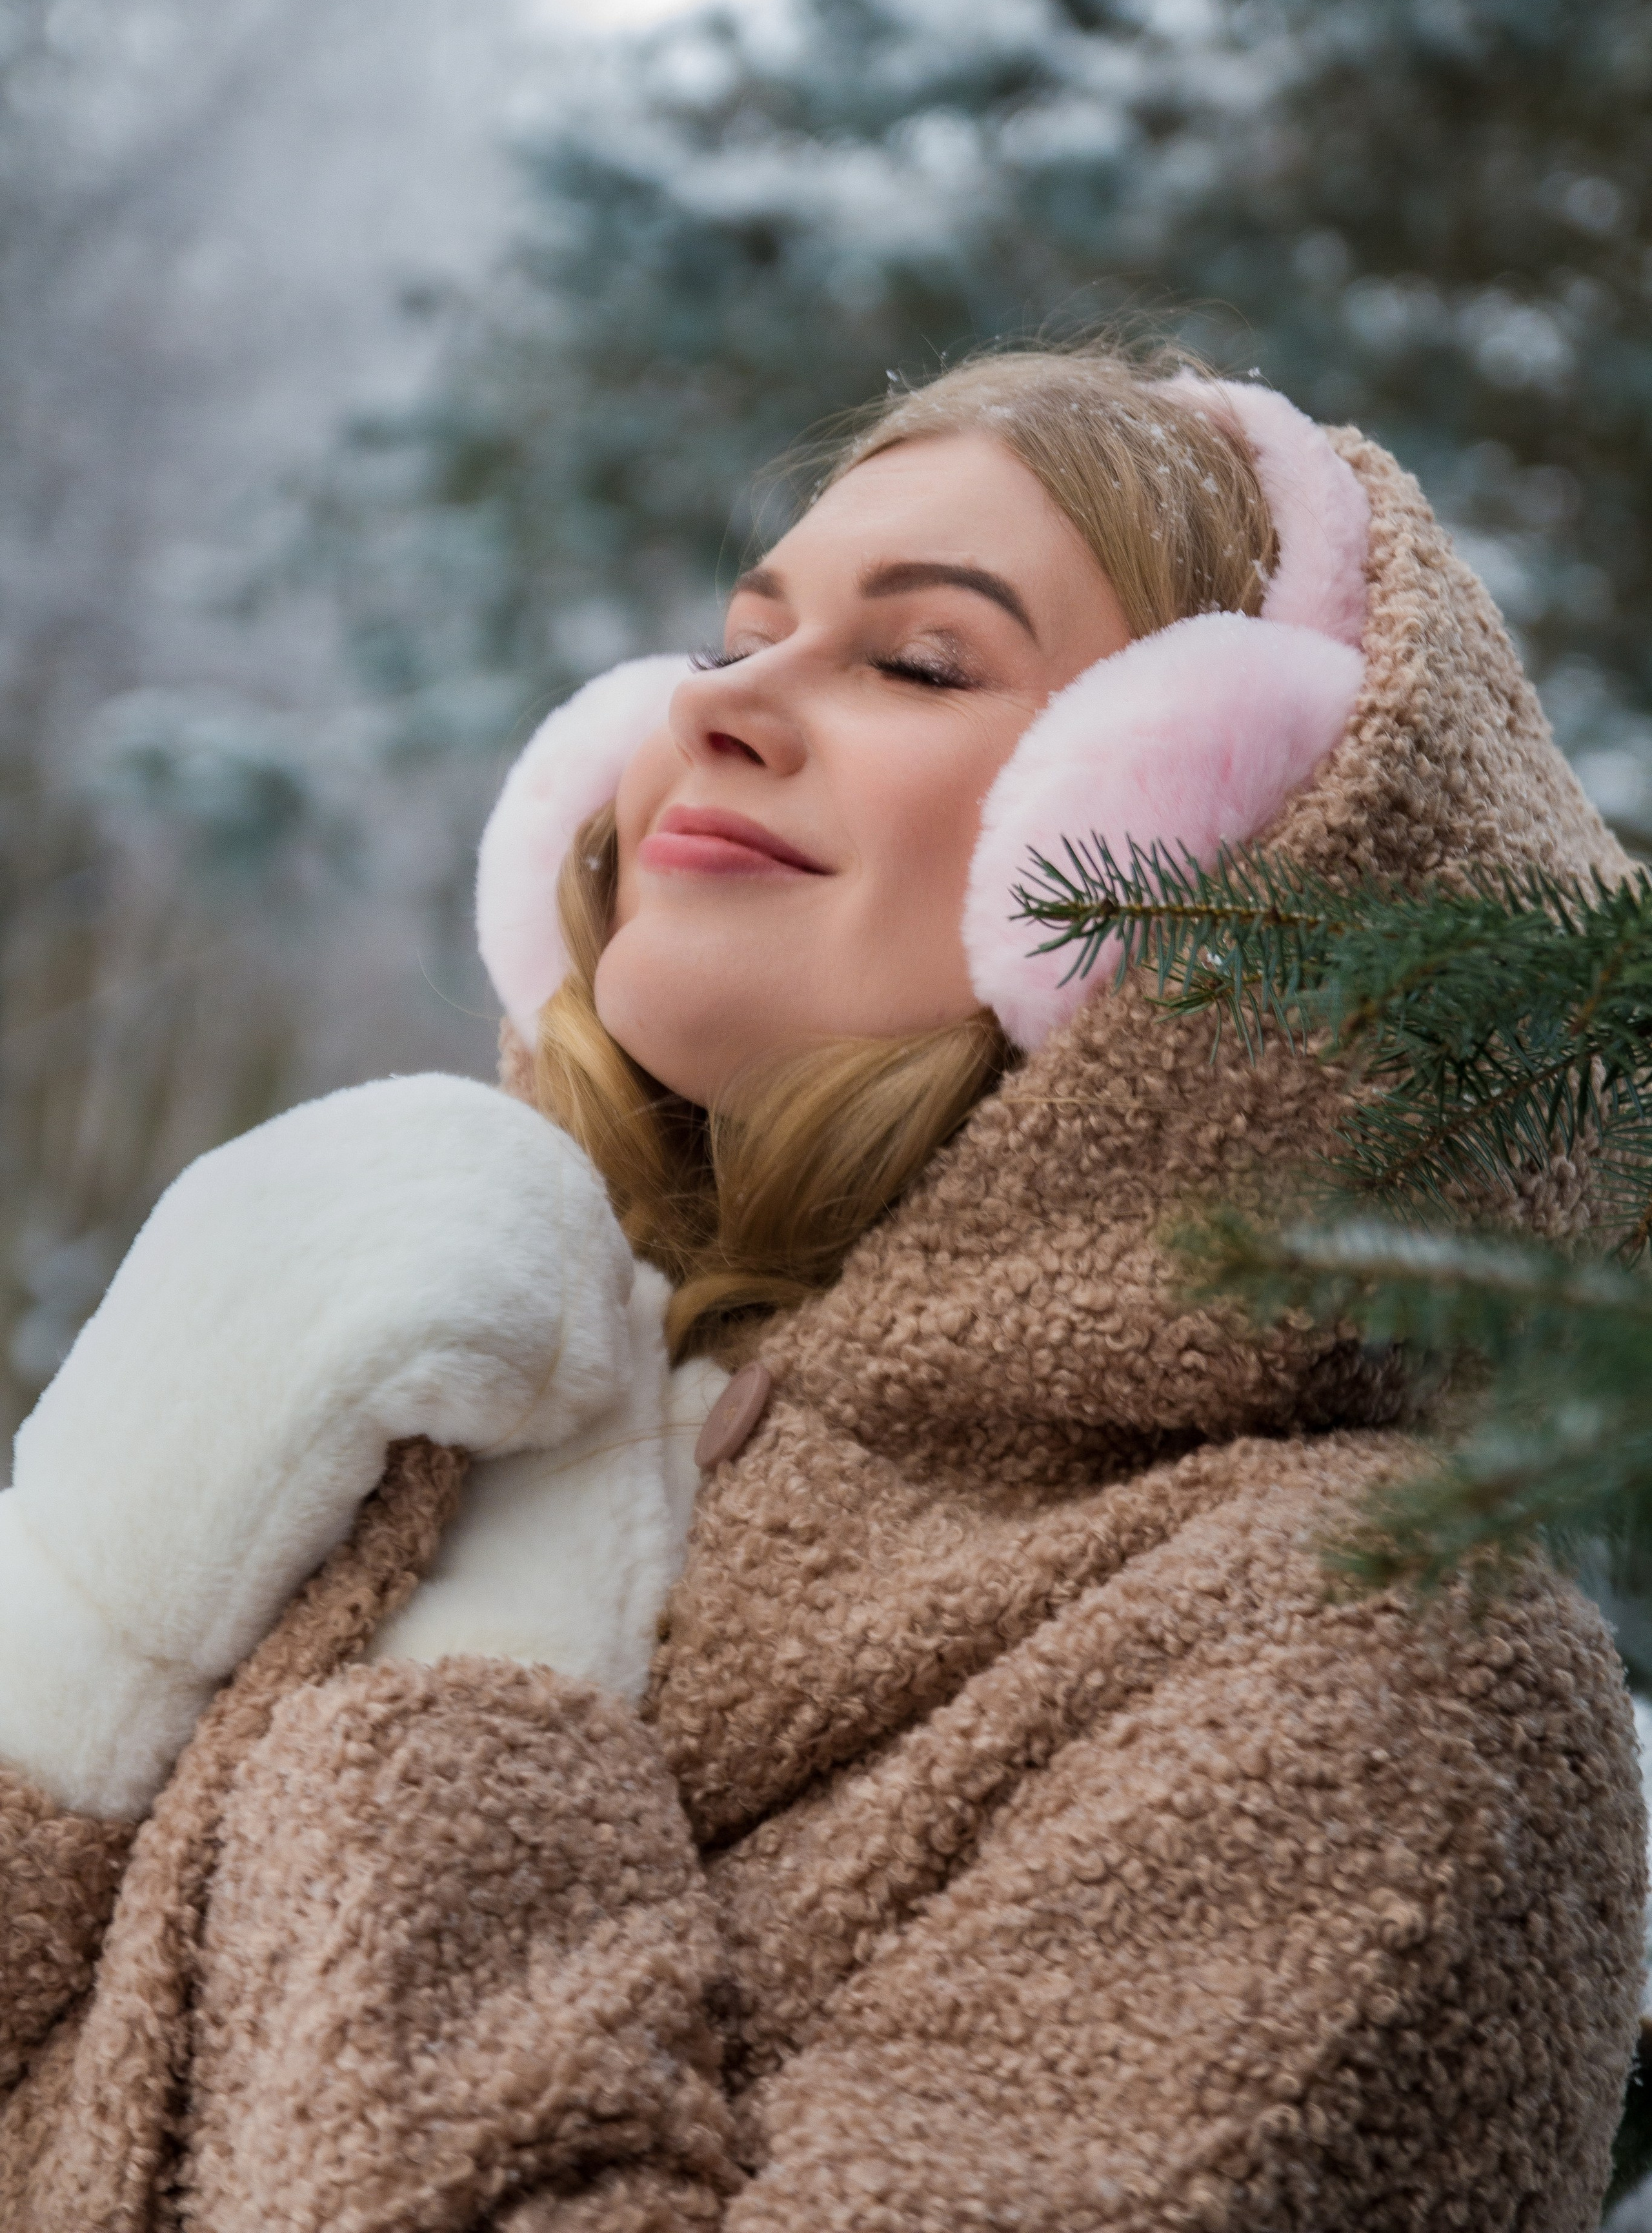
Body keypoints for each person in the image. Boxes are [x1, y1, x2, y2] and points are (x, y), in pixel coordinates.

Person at [0, 344, 1641, 2232]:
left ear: (1224, 851)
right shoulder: (463, 1413)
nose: (720, 708)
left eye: (922, 662)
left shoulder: (1368, 1660)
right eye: (738, 639)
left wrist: (486, 1698)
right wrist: (95, 1596)